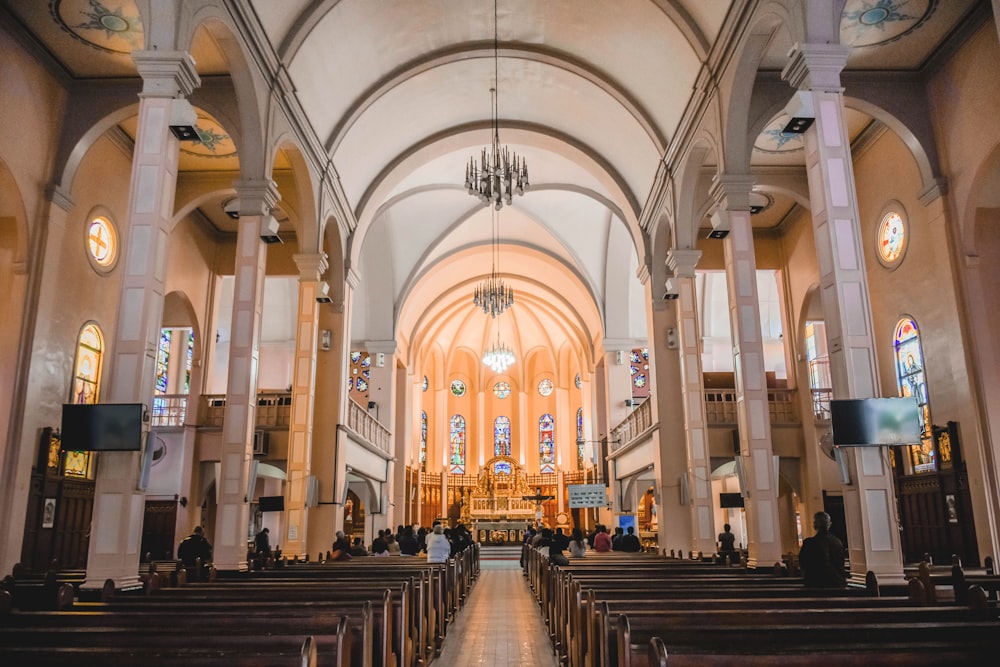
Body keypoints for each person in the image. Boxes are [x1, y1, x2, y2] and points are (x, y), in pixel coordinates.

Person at [799, 511, 847, 588]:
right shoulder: (837, 542)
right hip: (837, 584)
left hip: (815, 585)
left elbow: (803, 564)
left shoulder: (809, 543)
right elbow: (841, 564)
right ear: (829, 524)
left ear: (815, 524)